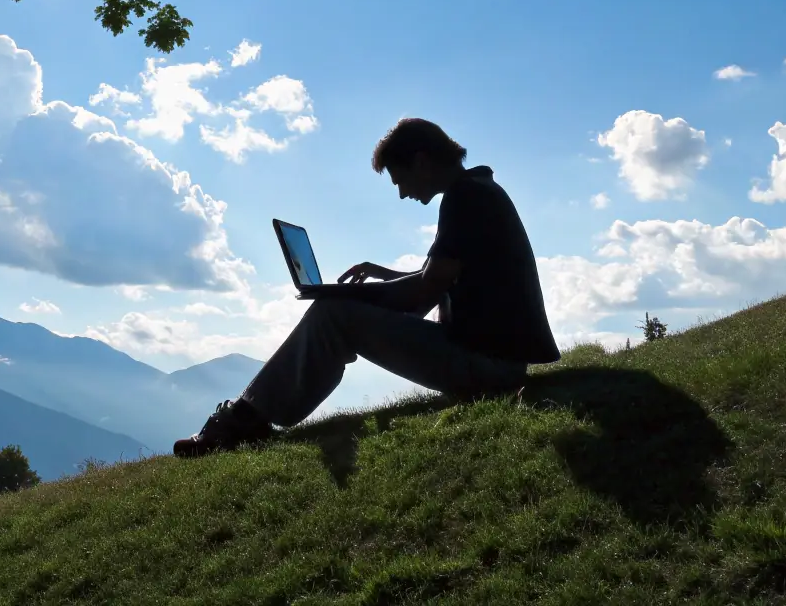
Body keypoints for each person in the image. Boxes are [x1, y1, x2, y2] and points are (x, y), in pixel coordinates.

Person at [173, 118, 560, 458]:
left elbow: (422, 295)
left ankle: (243, 422)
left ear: (422, 161)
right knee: (335, 309)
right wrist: (381, 276)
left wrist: (341, 296)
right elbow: (437, 279)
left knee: (332, 315)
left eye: (401, 179)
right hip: (495, 362)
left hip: (488, 371)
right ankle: (248, 417)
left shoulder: (466, 198)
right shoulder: (479, 191)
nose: (403, 193)